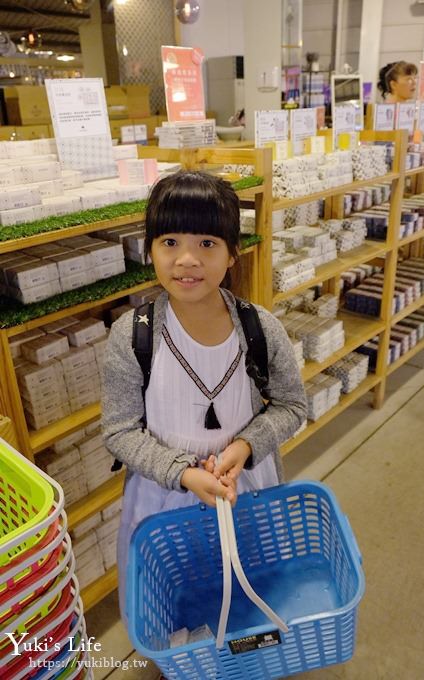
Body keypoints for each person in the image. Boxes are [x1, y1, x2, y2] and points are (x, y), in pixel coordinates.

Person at [101, 171, 307, 622]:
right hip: (162, 495)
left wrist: (244, 446)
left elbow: (293, 405)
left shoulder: (259, 327)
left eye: (207, 244)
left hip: (245, 487)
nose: (187, 260)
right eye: (170, 242)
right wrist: (183, 474)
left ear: (234, 252)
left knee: (249, 584)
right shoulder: (132, 336)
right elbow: (118, 431)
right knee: (173, 597)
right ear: (149, 249)